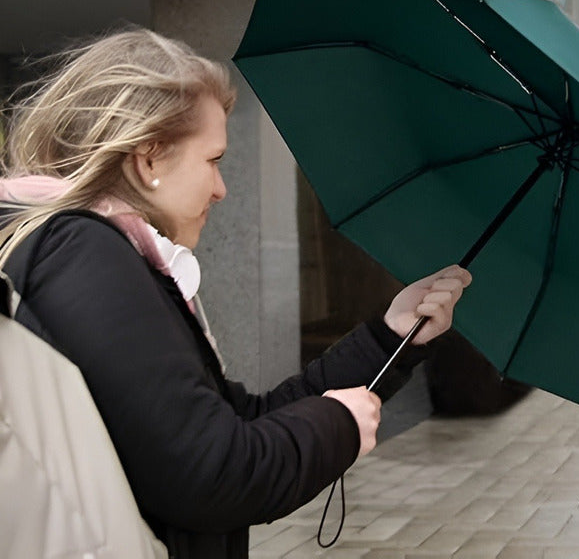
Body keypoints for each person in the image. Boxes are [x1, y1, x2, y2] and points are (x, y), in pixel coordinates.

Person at [0, 28, 471, 559]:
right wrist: (337, 425)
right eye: (213, 160)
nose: (222, 188)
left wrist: (392, 338)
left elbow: (237, 418)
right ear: (149, 158)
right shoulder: (82, 254)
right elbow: (214, 473)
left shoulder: (84, 250)